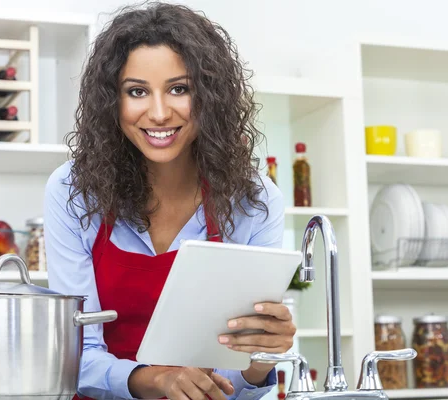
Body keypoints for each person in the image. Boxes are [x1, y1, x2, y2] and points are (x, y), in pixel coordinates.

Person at [43, 2, 296, 399]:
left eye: (180, 89)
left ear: (210, 96)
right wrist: (152, 378)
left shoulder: (254, 200)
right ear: (112, 101)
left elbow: (243, 387)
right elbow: (75, 354)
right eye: (137, 91)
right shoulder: (73, 191)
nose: (159, 113)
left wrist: (262, 358)